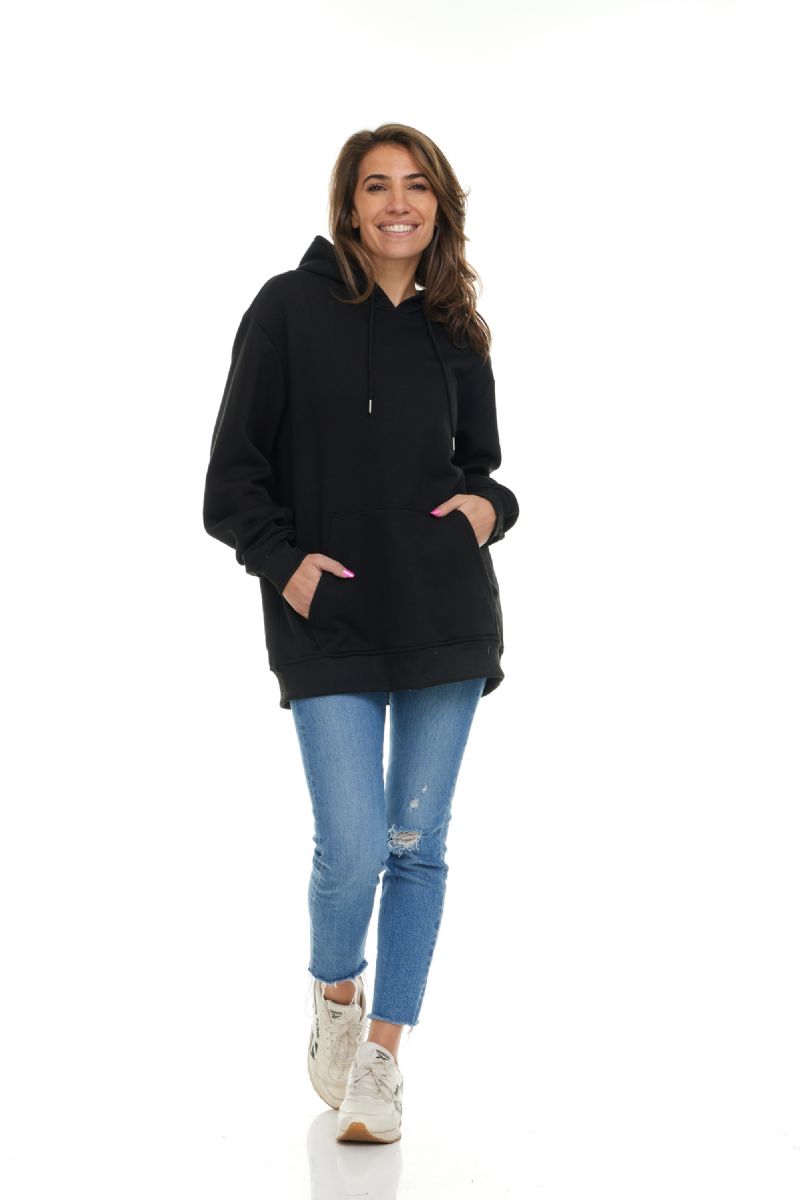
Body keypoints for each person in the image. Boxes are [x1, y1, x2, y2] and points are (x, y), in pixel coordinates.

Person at [202, 123, 519, 1144]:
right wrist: (283, 563)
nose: (397, 203)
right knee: (350, 846)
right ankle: (335, 996)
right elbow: (232, 479)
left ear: (438, 206)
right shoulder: (286, 310)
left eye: (416, 186)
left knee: (414, 845)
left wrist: (489, 510)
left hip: (442, 618)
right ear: (348, 205)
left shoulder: (456, 328)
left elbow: (482, 468)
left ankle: (381, 1060)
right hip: (329, 619)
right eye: (377, 186)